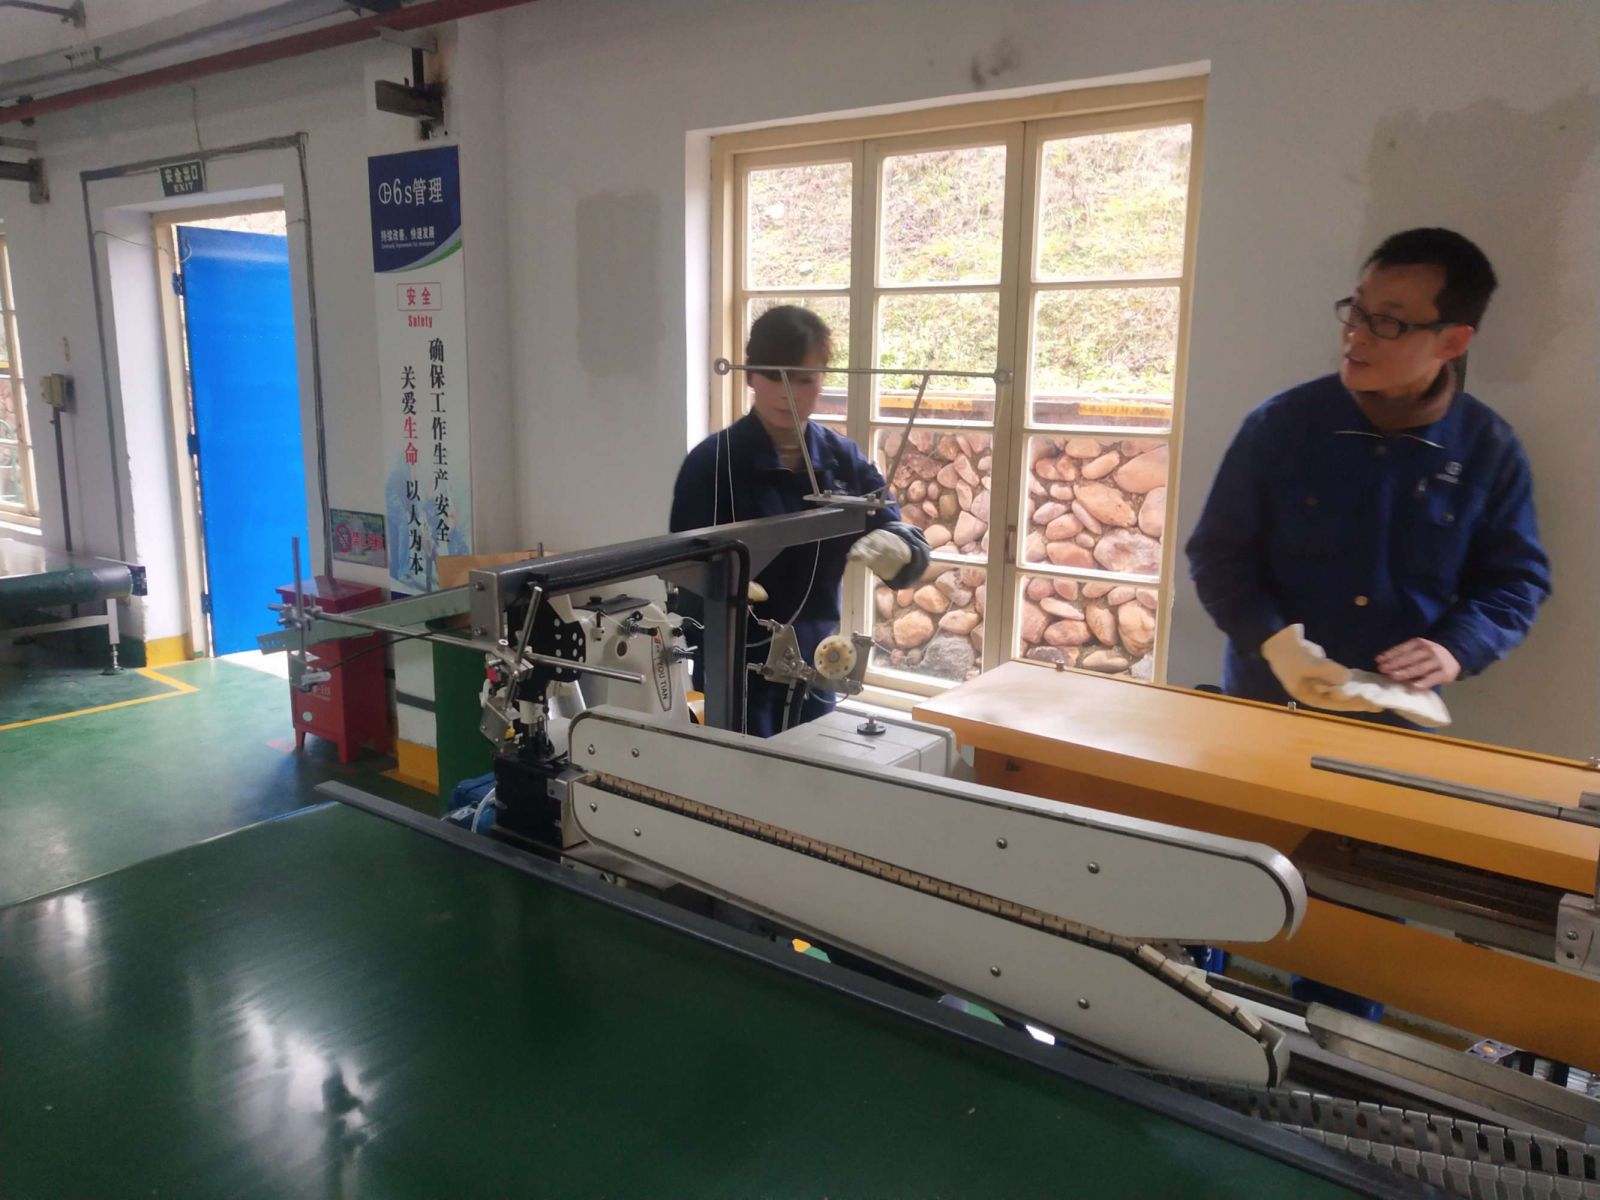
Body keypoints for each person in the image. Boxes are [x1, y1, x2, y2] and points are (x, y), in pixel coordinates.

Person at [1186, 228, 1551, 724]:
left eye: (1388, 323)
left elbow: (1516, 581)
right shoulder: (1281, 426)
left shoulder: (1488, 449)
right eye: (1357, 311)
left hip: (1395, 716)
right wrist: (1272, 641)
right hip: (1267, 700)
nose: (1357, 335)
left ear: (1453, 340)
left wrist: (1457, 647)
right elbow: (1218, 553)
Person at [670, 305, 931, 736]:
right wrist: (722, 587)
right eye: (777, 376)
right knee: (741, 774)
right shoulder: (712, 464)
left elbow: (902, 536)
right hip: (737, 672)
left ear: (823, 380)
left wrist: (901, 548)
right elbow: (683, 576)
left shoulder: (841, 459)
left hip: (819, 667)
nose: (789, 393)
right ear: (751, 376)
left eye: (805, 379)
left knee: (812, 769)